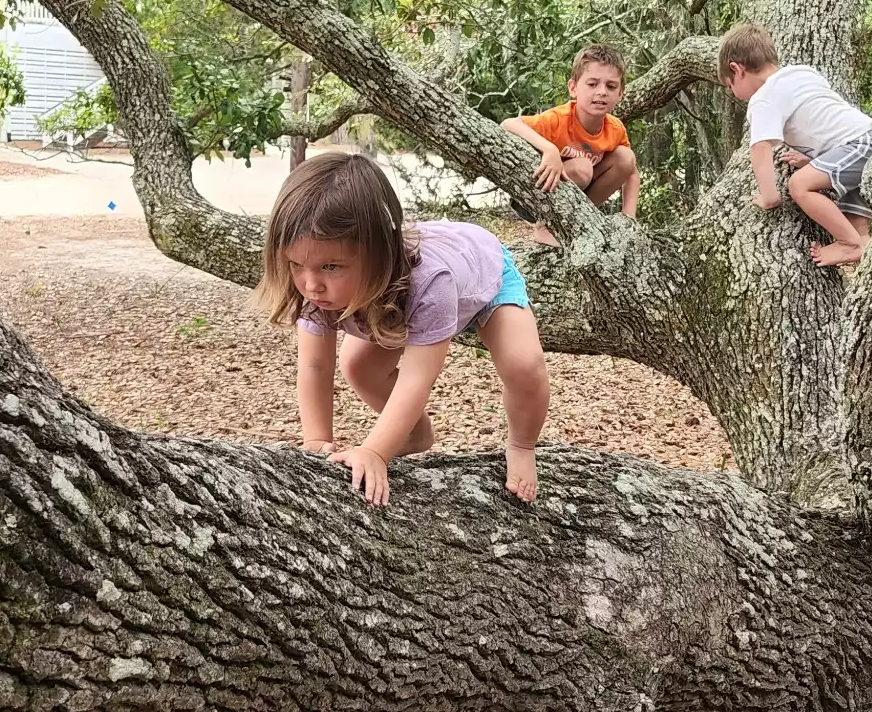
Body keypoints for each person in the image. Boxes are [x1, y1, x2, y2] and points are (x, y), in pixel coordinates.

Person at [255, 152, 548, 506]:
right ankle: (415, 433)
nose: (311, 283)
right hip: (394, 296)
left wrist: (375, 451)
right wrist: (317, 441)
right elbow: (315, 367)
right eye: (296, 265)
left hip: (482, 273)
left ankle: (522, 443)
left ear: (377, 254)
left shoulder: (430, 283)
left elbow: (416, 379)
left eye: (330, 266)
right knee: (358, 365)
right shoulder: (310, 290)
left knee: (524, 364)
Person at [718, 23, 872, 267]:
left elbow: (760, 148)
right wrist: (814, 161)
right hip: (871, 139)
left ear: (736, 69)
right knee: (848, 198)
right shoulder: (801, 73)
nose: (734, 94)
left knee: (799, 185)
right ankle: (860, 242)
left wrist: (769, 197)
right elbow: (821, 120)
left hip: (862, 144)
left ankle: (848, 243)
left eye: (730, 86)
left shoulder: (763, 98)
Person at [501, 43, 640, 245]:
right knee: (582, 167)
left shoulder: (615, 129)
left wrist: (629, 217)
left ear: (620, 93)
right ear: (573, 88)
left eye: (611, 86)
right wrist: (549, 150)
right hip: (538, 195)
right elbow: (507, 124)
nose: (602, 92)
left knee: (626, 158)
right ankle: (544, 227)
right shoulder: (558, 119)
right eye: (592, 84)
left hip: (576, 196)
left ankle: (581, 219)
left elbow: (632, 173)